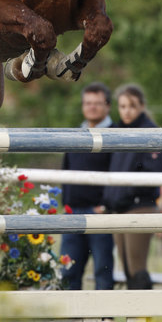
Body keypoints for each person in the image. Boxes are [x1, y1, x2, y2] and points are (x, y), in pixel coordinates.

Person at [103, 84, 162, 290]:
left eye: (131, 106)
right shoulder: (116, 131)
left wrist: (128, 193)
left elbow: (152, 171)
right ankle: (136, 319)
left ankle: (144, 319)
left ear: (141, 106)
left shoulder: (152, 133)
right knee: (127, 268)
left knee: (137, 267)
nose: (126, 111)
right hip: (118, 206)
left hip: (140, 206)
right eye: (122, 106)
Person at [60, 82, 114, 290]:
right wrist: (66, 204)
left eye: (97, 103)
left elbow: (117, 172)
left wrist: (105, 206)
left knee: (102, 267)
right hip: (72, 213)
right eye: (87, 103)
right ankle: (69, 318)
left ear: (107, 105)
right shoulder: (76, 134)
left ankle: (105, 318)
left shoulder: (116, 134)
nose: (91, 107)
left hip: (99, 213)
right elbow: (66, 169)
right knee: (69, 269)